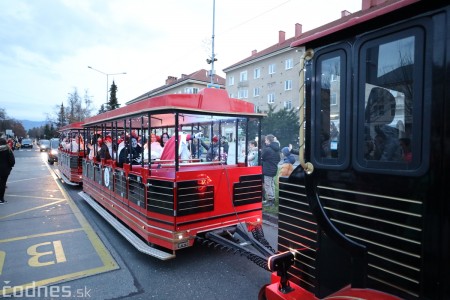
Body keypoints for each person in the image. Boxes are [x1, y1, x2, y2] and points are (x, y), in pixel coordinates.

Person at [261, 134, 280, 207]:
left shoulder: (267, 149)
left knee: (268, 185)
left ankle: (270, 201)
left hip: (267, 169)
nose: (265, 142)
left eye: (266, 140)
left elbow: (262, 157)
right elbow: (278, 159)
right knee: (272, 184)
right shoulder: (277, 149)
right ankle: (273, 198)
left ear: (268, 140)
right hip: (274, 168)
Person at [0, 138, 15, 204]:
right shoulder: (8, 150)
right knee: (3, 184)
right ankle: (1, 199)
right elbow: (12, 161)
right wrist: (10, 168)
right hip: (5, 170)